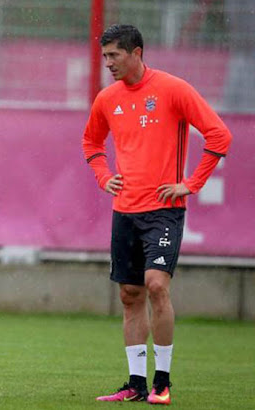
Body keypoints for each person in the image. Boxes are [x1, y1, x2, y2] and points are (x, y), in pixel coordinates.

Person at [83, 25, 232, 405]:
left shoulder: (173, 89)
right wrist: (103, 176)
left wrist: (191, 183)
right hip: (125, 210)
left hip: (164, 209)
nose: (108, 63)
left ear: (136, 53)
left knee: (155, 285)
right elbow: (91, 142)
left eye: (114, 55)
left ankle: (162, 382)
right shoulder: (107, 98)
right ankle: (135, 384)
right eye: (105, 56)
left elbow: (219, 135)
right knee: (129, 293)